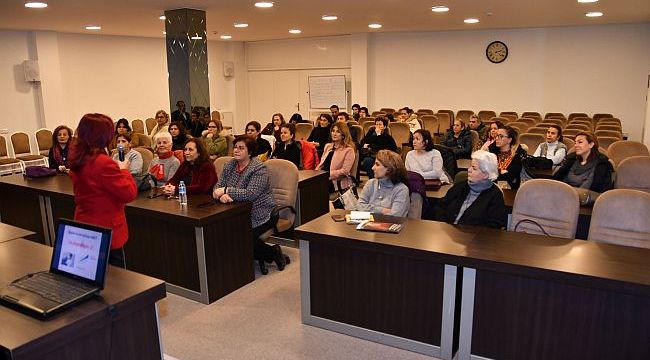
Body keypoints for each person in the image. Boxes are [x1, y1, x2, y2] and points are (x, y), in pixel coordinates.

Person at [68, 113, 137, 267]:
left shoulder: (78, 158)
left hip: (85, 225)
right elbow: (129, 193)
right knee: (116, 281)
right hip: (106, 229)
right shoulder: (102, 162)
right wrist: (123, 170)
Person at [213, 135, 287, 275]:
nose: (236, 151)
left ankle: (273, 252)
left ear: (250, 152)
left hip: (262, 214)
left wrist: (227, 191)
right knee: (222, 230)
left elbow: (251, 193)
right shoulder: (230, 165)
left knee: (243, 235)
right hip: (235, 211)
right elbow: (218, 185)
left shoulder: (259, 168)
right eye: (235, 147)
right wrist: (220, 194)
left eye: (241, 148)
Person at [434, 150, 506, 228]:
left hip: (474, 238)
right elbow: (441, 205)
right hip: (447, 232)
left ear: (485, 174)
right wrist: (444, 226)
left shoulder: (495, 195)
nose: (469, 170)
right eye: (470, 166)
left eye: (474, 168)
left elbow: (493, 226)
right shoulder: (461, 185)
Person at [356, 150, 410, 217]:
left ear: (389, 168)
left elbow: (396, 215)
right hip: (368, 224)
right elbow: (359, 206)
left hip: (391, 225)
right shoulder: (371, 183)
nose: (373, 168)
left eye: (377, 164)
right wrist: (382, 210)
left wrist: (369, 209)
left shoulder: (401, 190)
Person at [316, 121, 356, 191]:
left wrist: (328, 174)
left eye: (338, 132)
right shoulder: (328, 146)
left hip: (336, 182)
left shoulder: (349, 150)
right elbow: (321, 164)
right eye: (333, 131)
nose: (334, 134)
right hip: (323, 178)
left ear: (343, 135)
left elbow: (345, 171)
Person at [488, 125, 526, 190]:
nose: (497, 138)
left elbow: (510, 176)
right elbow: (488, 173)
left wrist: (497, 172)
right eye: (497, 135)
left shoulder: (517, 156)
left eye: (501, 136)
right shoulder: (493, 153)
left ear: (509, 140)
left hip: (510, 190)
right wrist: (501, 172)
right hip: (491, 187)